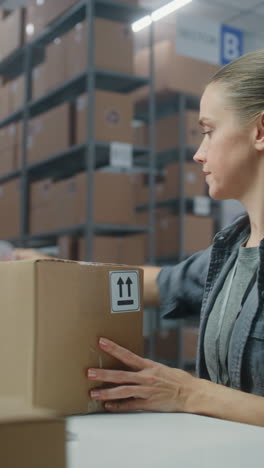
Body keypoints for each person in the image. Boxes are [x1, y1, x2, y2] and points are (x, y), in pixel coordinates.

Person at [85, 49, 264, 427]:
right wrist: (42, 274)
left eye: (209, 131)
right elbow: (156, 284)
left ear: (260, 132)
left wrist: (188, 393)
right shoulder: (231, 253)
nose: (199, 154)